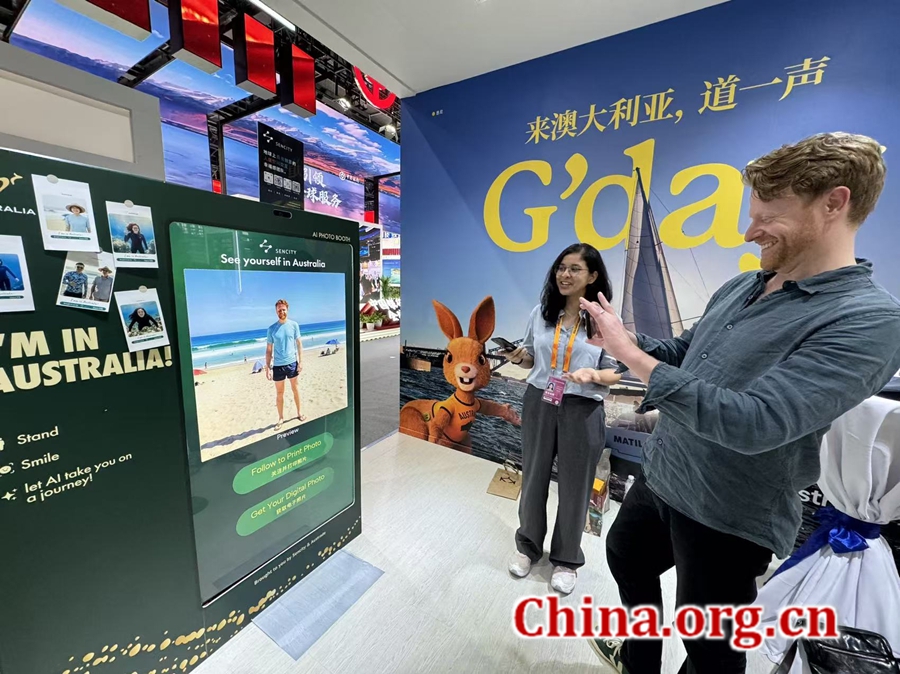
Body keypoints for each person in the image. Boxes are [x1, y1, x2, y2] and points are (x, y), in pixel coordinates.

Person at [581, 133, 900, 674]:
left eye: (767, 217)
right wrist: (624, 340)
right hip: (664, 473)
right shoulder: (741, 287)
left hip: (729, 514)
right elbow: (685, 353)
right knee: (626, 559)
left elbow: (757, 422)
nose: (750, 233)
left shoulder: (868, 320)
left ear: (834, 203)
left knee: (709, 647)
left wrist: (633, 359)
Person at [503, 243, 621, 595]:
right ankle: (528, 546)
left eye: (574, 269)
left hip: (583, 407)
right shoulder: (541, 313)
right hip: (540, 400)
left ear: (593, 276)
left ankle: (567, 559)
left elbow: (615, 373)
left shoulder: (604, 320)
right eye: (561, 268)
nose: (564, 275)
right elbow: (531, 361)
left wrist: (593, 375)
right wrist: (518, 357)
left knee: (575, 487)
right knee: (533, 477)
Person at [265, 299, 306, 431]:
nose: (281, 312)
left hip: (292, 363)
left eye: (283, 309)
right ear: (276, 311)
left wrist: (301, 361)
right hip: (278, 366)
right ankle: (281, 418)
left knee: (295, 389)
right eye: (279, 310)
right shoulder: (271, 329)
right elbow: (269, 350)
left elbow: (299, 344)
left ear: (287, 310)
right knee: (279, 393)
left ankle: (299, 412)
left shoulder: (294, 325)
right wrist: (267, 367)